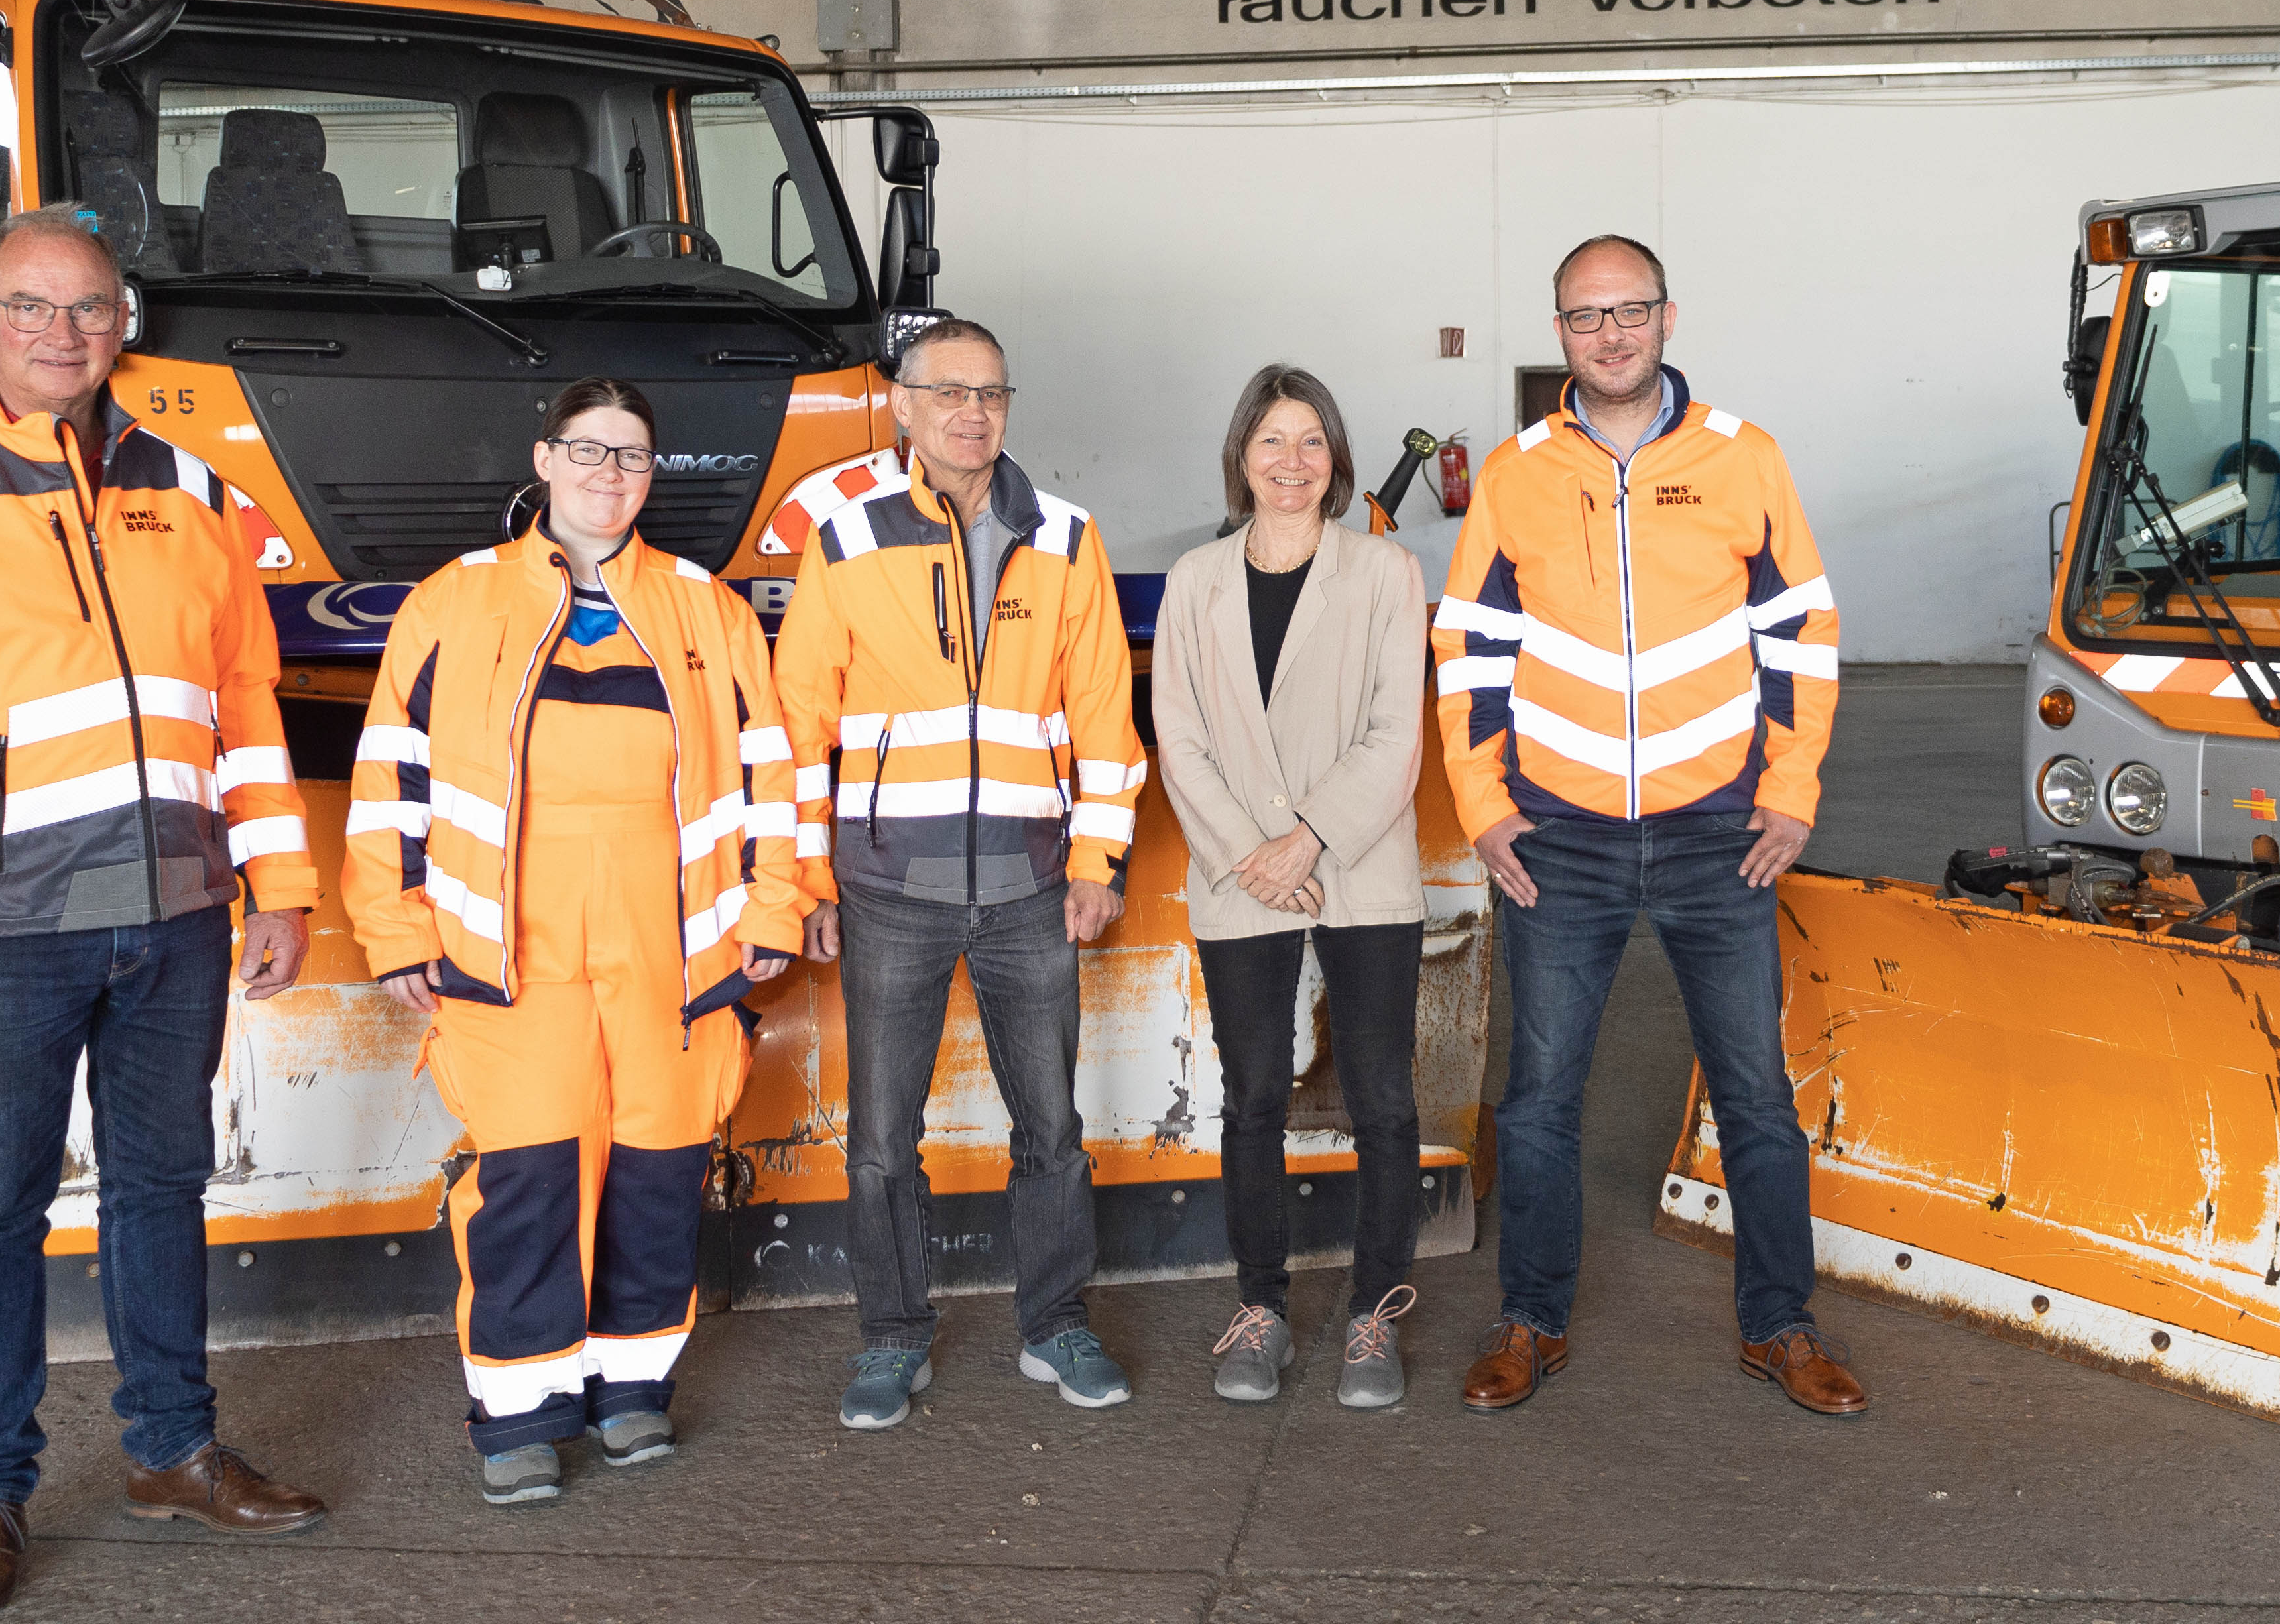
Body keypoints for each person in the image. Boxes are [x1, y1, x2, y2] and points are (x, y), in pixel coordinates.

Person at [0, 205, 328, 1621]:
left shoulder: (196, 496)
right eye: (31, 307)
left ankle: (171, 1448)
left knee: (163, 1189)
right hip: (1, 930)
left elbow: (244, 712)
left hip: (174, 921)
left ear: (123, 322)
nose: (62, 333)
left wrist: (280, 880)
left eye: (88, 308)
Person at [343, 378, 808, 1503]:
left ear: (654, 477)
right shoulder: (455, 604)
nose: (610, 476)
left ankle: (632, 1391)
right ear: (544, 461)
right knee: (530, 1175)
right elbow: (391, 776)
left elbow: (771, 778)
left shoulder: (707, 609)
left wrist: (773, 909)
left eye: (633, 458)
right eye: (589, 453)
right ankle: (518, 1415)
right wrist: (395, 928)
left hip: (675, 952)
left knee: (658, 1171)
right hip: (511, 952)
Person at [1433, 233, 1868, 1417]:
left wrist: (1788, 792)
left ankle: (1781, 1325)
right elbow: (1468, 648)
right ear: (1559, 335)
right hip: (1558, 836)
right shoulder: (1519, 472)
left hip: (1716, 828)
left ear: (1669, 319)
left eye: (1629, 311)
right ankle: (1530, 1317)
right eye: (1584, 317)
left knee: (1756, 1097)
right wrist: (1482, 809)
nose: (1609, 334)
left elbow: (1799, 637)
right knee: (1536, 1101)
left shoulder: (1743, 458)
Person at [766, 319, 1150, 1427]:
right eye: (946, 392)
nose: (970, 412)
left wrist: (1097, 861)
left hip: (1033, 889)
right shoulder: (844, 539)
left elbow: (1103, 722)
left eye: (990, 392)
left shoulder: (1067, 538)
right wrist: (805, 881)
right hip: (888, 891)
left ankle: (1056, 1326)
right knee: (884, 1141)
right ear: (902, 404)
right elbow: (801, 725)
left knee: (1053, 1129)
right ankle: (890, 1340)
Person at [1152, 365, 1433, 1409]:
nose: (1290, 461)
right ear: (1241, 456)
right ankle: (1261, 1307)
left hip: (1356, 869)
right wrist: (1250, 854)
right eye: (1271, 441)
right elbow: (1177, 736)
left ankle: (1373, 1313)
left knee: (1384, 1099)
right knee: (1253, 1098)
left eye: (1311, 441)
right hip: (1240, 881)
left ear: (1336, 459)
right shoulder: (1196, 579)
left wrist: (1305, 840)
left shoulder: (1383, 573)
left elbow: (1396, 732)